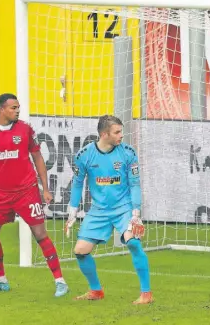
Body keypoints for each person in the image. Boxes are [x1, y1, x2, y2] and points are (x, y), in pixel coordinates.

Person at [0, 93, 69, 297]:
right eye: (13, 107)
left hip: (26, 191)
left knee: (40, 234)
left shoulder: (25, 129)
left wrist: (45, 188)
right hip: (0, 193)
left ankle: (60, 282)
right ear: (1, 109)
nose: (17, 110)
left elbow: (37, 157)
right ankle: (0, 280)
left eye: (18, 107)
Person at [65, 115, 152, 304]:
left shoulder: (128, 153)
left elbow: (135, 184)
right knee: (80, 251)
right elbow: (78, 184)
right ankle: (96, 290)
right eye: (117, 132)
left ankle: (146, 294)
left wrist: (135, 213)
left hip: (124, 208)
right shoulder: (84, 155)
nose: (122, 135)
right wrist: (72, 210)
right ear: (104, 134)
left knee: (133, 243)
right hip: (99, 211)